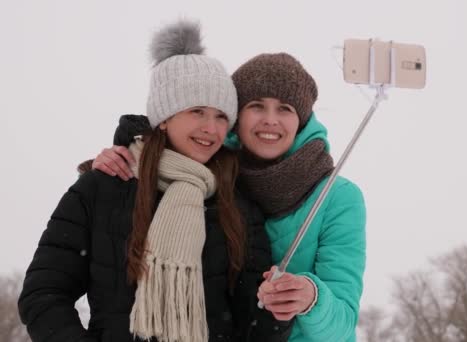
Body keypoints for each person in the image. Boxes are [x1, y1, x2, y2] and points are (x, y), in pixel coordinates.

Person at [18, 20, 291, 342]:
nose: (211, 127)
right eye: (197, 111)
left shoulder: (236, 202)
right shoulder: (102, 187)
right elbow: (44, 294)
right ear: (164, 118)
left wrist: (276, 307)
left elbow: (255, 327)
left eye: (221, 116)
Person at [95, 52, 366, 341]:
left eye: (285, 108)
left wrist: (313, 299)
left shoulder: (338, 197)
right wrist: (127, 156)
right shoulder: (208, 175)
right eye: (257, 106)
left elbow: (343, 324)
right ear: (237, 116)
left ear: (300, 120)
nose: (270, 120)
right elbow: (164, 149)